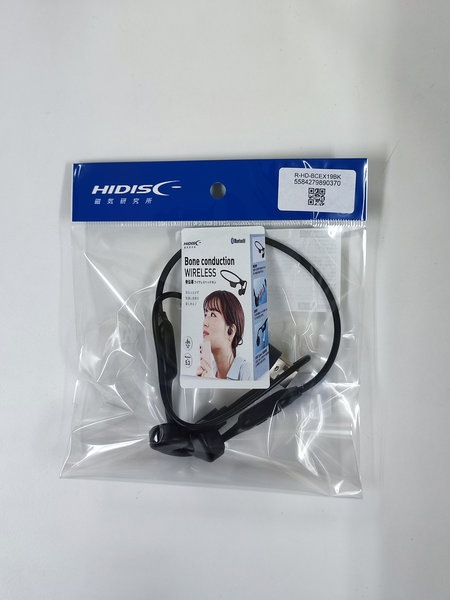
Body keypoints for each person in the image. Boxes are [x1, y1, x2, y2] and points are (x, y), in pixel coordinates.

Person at [197, 290, 251, 381]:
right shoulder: (209, 369)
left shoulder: (247, 372)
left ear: (231, 331)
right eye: (206, 314)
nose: (204, 322)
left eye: (213, 315)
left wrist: (212, 383)